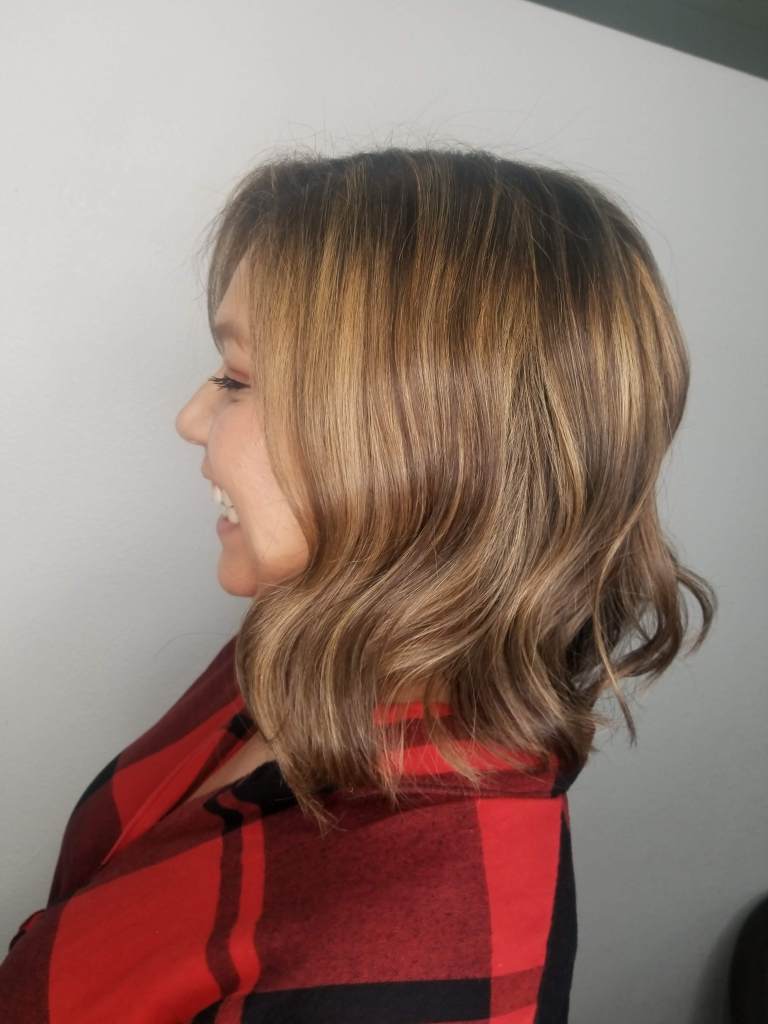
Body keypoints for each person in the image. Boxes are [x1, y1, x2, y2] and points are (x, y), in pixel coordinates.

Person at [0, 146, 717, 1022]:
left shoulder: (414, 963)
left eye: (238, 379)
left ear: (435, 439)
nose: (191, 418)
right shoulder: (307, 637)